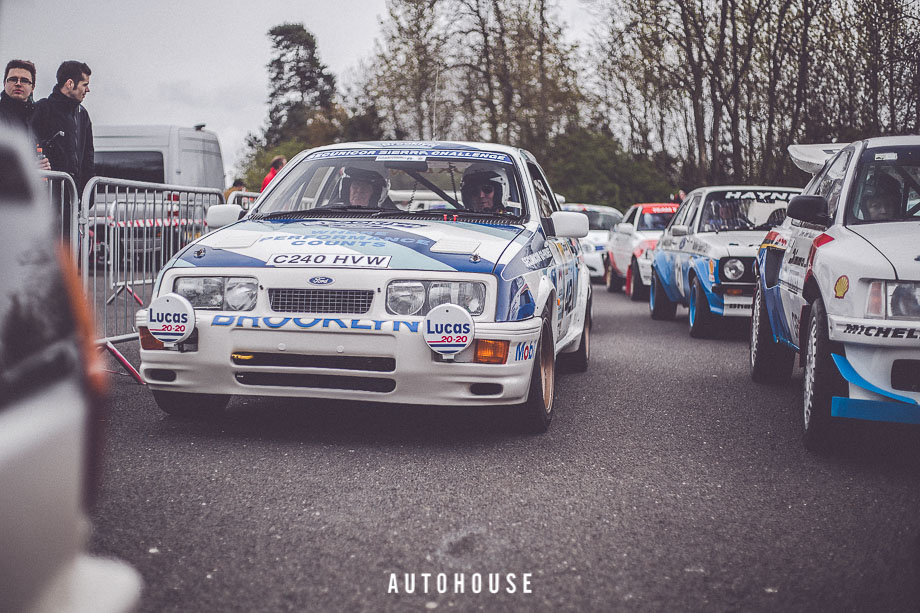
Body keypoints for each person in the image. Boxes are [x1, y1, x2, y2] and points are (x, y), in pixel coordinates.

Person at [32, 60, 94, 191]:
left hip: (74, 201)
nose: (88, 90)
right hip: (47, 199)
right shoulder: (43, 109)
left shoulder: (83, 115)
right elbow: (28, 146)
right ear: (70, 83)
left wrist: (88, 195)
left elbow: (88, 158)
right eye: (85, 84)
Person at [1, 59, 50, 170]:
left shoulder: (35, 118)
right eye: (13, 79)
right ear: (4, 83)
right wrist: (29, 169)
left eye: (24, 80)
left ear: (32, 87)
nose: (18, 84)